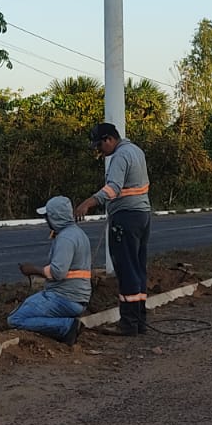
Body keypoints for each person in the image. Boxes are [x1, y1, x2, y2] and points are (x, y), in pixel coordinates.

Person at [73, 122, 151, 336]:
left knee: (126, 270)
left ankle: (128, 323)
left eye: (100, 146)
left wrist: (88, 202)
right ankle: (139, 321)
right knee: (137, 269)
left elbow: (113, 188)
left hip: (126, 218)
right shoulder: (136, 150)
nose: (100, 151)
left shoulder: (120, 156)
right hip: (142, 216)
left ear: (109, 139)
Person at [8, 196, 90, 345]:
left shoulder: (66, 238)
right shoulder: (77, 234)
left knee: (15, 319)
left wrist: (32, 269)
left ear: (55, 217)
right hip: (76, 298)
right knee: (26, 308)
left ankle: (66, 326)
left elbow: (58, 272)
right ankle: (64, 324)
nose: (46, 221)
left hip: (64, 298)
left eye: (47, 217)